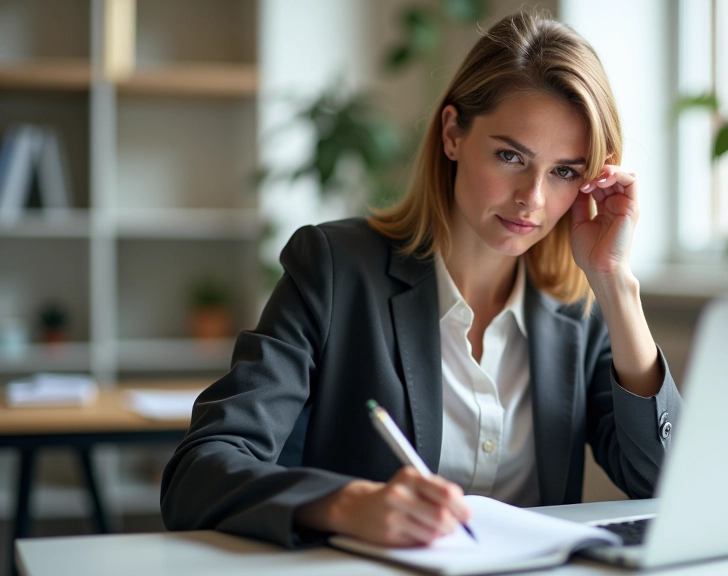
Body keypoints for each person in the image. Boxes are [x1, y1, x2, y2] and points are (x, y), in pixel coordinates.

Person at [161, 10, 682, 549]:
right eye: (510, 156)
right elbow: (199, 471)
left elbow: (667, 485)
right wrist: (348, 505)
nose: (533, 198)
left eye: (564, 171)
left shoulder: (579, 309)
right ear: (453, 134)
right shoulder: (335, 269)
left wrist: (615, 283)